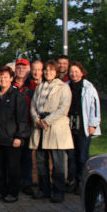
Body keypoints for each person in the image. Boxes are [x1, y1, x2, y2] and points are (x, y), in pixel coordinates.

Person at [0, 66, 30, 203]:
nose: (3, 79)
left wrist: (19, 136)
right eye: (0, 77)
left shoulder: (17, 96)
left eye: (5, 77)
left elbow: (22, 118)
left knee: (13, 167)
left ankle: (13, 192)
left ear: (11, 79)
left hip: (11, 137)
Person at [29, 60, 73, 203]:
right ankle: (44, 189)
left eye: (51, 70)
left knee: (58, 163)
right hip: (40, 129)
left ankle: (59, 191)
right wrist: (36, 119)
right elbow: (33, 106)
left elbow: (63, 108)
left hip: (55, 129)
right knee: (41, 162)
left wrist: (47, 120)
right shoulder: (40, 87)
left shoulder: (63, 88)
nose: (48, 73)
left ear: (56, 72)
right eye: (46, 70)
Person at [66, 61, 101, 194]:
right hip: (69, 126)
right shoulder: (66, 86)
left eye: (76, 71)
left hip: (84, 126)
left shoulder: (88, 87)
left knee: (82, 156)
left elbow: (95, 106)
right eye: (72, 71)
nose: (73, 74)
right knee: (71, 156)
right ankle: (73, 181)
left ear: (81, 72)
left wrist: (93, 124)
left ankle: (83, 182)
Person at [12, 58, 34, 195]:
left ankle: (27, 183)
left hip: (28, 125)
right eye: (18, 67)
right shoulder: (10, 84)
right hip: (12, 126)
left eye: (24, 67)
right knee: (14, 157)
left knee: (27, 156)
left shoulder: (33, 85)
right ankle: (15, 181)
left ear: (28, 69)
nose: (21, 70)